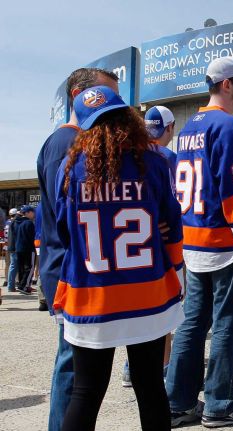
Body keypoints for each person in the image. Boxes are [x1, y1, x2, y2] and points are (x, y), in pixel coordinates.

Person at [54, 85, 184, 431]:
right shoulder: (154, 161)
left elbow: (65, 233)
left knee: (86, 392)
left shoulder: (71, 169)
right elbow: (172, 223)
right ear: (129, 117)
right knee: (150, 387)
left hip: (91, 293)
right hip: (147, 291)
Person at [165, 56, 233, 428]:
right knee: (229, 324)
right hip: (224, 244)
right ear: (227, 85)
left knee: (192, 323)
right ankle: (220, 403)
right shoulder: (229, 127)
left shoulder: (190, 125)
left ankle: (178, 401)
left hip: (193, 241)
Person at [37, 67, 120, 431]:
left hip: (71, 269)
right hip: (69, 274)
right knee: (73, 372)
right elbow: (68, 219)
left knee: (75, 370)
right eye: (107, 94)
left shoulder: (76, 142)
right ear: (79, 96)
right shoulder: (67, 143)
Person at [121, 105, 180, 388]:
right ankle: (163, 367)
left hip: (125, 249)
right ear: (169, 129)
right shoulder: (166, 158)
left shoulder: (127, 155)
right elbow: (172, 208)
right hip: (157, 246)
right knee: (162, 315)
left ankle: (130, 366)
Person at [14, 206, 36, 295]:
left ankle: (20, 284)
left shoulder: (17, 222)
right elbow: (32, 237)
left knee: (22, 268)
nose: (34, 214)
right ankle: (24, 286)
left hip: (19, 248)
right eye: (32, 212)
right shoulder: (29, 223)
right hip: (28, 248)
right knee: (30, 268)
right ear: (27, 213)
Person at [6, 208, 21, 293]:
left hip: (10, 246)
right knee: (14, 266)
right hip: (14, 247)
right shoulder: (14, 223)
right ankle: (11, 285)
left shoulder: (9, 222)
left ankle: (11, 285)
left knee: (13, 266)